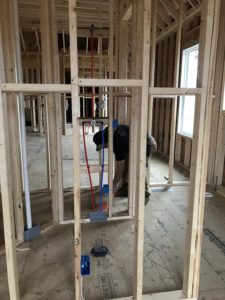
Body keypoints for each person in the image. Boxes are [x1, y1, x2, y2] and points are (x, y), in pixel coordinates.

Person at [93, 125, 157, 204]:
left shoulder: (117, 141)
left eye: (103, 146)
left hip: (147, 144)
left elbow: (120, 166)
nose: (105, 148)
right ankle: (126, 188)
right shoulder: (109, 131)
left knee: (139, 169)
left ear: (106, 141)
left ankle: (144, 194)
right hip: (133, 144)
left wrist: (114, 184)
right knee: (127, 165)